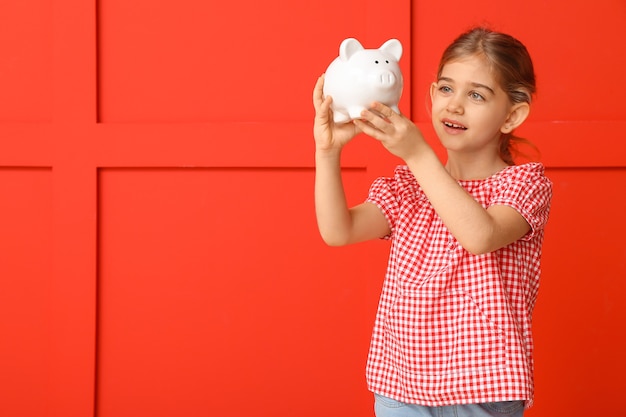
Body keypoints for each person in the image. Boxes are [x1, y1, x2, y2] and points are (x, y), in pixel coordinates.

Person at [312, 27, 553, 417]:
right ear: (429, 95)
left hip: (482, 388)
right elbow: (338, 231)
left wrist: (417, 153)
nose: (454, 106)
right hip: (401, 386)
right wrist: (327, 152)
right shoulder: (409, 188)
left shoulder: (524, 185)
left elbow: (480, 235)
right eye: (445, 89)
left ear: (512, 115)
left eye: (476, 95)